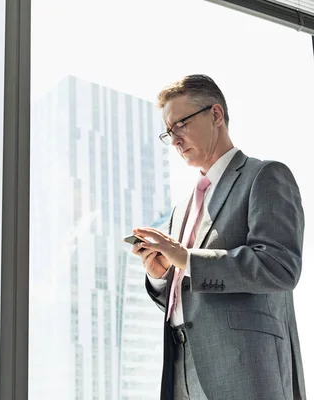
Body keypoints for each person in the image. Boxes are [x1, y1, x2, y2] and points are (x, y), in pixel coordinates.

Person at [130, 74, 306, 400]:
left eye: (181, 124)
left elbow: (280, 266)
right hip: (182, 369)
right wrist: (162, 277)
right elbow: (187, 294)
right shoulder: (181, 209)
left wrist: (186, 258)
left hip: (243, 370)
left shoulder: (264, 176)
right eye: (169, 132)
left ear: (216, 115)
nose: (176, 139)